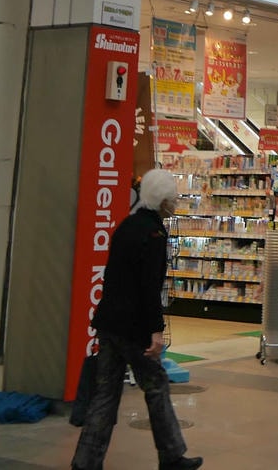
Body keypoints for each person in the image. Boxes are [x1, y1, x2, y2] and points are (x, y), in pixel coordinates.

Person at [72, 169, 203, 470]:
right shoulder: (154, 234)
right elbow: (149, 288)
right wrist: (156, 331)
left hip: (108, 323)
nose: (176, 203)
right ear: (162, 201)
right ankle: (171, 456)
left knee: (105, 395)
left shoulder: (127, 225)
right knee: (156, 386)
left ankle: (85, 462)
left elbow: (114, 277)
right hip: (134, 328)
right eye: (173, 198)